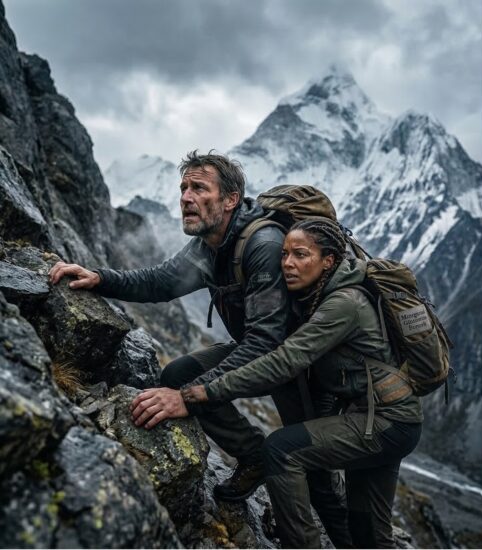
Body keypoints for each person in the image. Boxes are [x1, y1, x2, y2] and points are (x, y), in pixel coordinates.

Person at [47, 151, 351, 547]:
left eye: (198, 188)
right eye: (183, 188)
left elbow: (266, 343)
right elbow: (159, 282)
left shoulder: (263, 244)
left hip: (305, 367)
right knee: (177, 374)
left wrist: (189, 400)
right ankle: (253, 454)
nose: (186, 197)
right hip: (262, 351)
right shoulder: (210, 244)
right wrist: (99, 278)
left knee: (319, 481)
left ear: (230, 199)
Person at [138, 217, 423, 548]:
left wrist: (196, 395)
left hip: (386, 424)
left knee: (282, 450)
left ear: (328, 261)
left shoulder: (343, 304)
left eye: (300, 255)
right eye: (284, 254)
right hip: (386, 420)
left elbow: (286, 361)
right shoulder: (320, 293)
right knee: (368, 536)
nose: (287, 263)